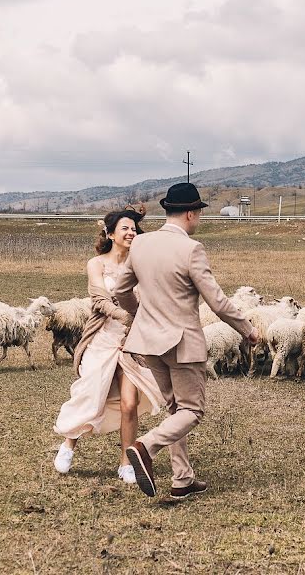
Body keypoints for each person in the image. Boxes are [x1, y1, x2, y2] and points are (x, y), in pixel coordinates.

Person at [112, 182, 259, 499]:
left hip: (148, 343)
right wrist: (248, 329)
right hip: (181, 344)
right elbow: (217, 302)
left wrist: (141, 314)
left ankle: (182, 479)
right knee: (192, 411)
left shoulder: (141, 245)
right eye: (199, 214)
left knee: (175, 409)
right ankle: (145, 447)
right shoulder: (191, 249)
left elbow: (121, 291)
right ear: (191, 213)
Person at [52, 206, 165, 483]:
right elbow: (100, 301)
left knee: (129, 403)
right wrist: (128, 316)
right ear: (111, 233)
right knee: (92, 394)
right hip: (104, 339)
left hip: (131, 344)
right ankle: (69, 443)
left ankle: (126, 462)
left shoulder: (141, 264)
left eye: (134, 228)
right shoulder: (97, 264)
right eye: (125, 228)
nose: (131, 232)